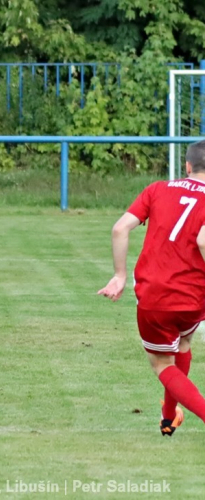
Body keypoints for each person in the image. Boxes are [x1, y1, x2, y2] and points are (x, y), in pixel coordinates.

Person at [98, 139, 205, 436]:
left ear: (187, 166)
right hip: (195, 297)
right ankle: (168, 418)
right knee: (182, 345)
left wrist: (119, 275)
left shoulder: (158, 189)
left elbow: (120, 228)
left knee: (161, 363)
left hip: (156, 293)